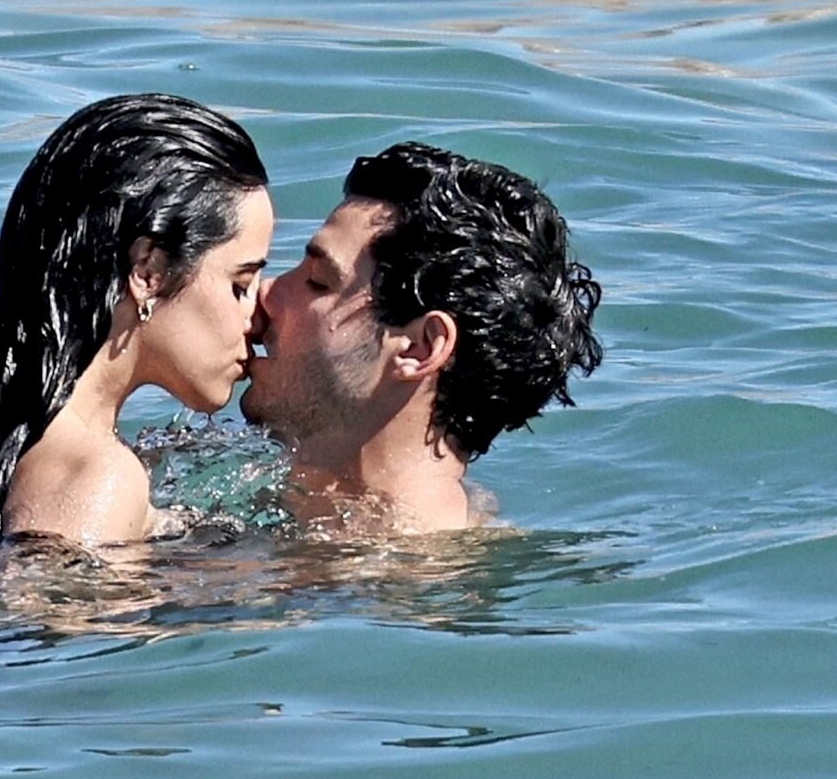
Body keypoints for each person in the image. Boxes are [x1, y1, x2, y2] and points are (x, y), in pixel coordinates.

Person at [0, 93, 273, 549]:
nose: (257, 318)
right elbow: (30, 592)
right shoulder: (98, 475)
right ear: (147, 272)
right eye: (239, 285)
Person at [240, 141, 601, 535]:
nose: (265, 292)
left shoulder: (367, 570)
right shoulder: (286, 515)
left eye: (318, 282)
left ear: (420, 347)